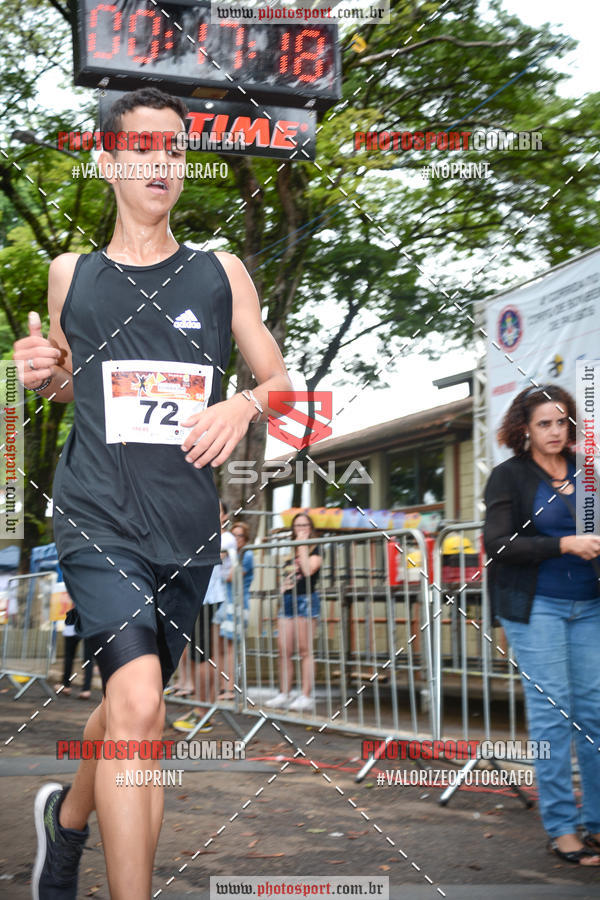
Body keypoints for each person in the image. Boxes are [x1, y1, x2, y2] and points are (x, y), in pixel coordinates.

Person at [13, 87, 292, 899]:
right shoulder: (72, 274)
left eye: (174, 147)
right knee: (140, 702)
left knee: (129, 706)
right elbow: (69, 382)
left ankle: (65, 822)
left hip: (185, 527)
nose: (163, 160)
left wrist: (244, 403)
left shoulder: (220, 272)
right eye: (143, 147)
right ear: (108, 161)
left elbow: (283, 385)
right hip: (97, 511)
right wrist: (41, 373)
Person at [484, 383, 600, 866]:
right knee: (554, 717)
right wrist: (563, 545)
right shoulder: (508, 476)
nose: (555, 431)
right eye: (544, 423)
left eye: (562, 421)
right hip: (538, 608)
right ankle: (561, 828)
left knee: (594, 715)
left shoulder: (588, 473)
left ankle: (597, 824)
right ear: (525, 429)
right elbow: (497, 544)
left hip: (590, 606)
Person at [173, 500, 236, 731]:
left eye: (216, 510)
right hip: (200, 599)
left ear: (225, 516)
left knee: (202, 656)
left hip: (210, 600)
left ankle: (201, 712)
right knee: (203, 656)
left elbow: (201, 555)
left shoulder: (226, 538)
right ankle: (205, 710)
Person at [265, 512, 321, 712]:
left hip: (306, 599)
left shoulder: (315, 548)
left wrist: (303, 545)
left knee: (305, 649)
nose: (301, 529)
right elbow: (288, 575)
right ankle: (284, 693)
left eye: (305, 525)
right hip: (288, 600)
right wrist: (283, 586)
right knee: (284, 650)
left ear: (311, 528)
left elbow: (307, 570)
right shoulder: (290, 551)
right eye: (298, 525)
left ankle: (306, 695)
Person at [216, 519, 254, 700]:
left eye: (241, 536)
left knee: (231, 646)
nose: (237, 539)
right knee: (221, 646)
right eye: (235, 535)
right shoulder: (231, 555)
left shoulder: (246, 555)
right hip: (225, 602)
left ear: (246, 539)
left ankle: (230, 687)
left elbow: (231, 576)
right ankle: (222, 685)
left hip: (238, 603)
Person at [59, 618, 94, 700]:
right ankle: (86, 690)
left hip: (73, 624)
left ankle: (66, 686)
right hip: (90, 625)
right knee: (89, 659)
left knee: (69, 656)